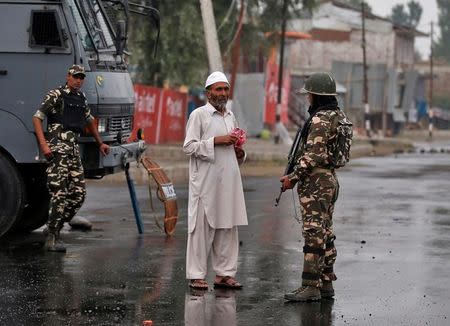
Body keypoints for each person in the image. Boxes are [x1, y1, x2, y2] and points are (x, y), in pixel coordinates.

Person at [280, 73, 353, 302]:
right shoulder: (338, 116)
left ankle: (310, 285)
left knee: (313, 233)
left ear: (317, 95)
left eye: (310, 94)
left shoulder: (320, 119)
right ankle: (326, 282)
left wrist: (292, 177)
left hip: (316, 183)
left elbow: (313, 155)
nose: (308, 98)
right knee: (325, 231)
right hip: (329, 180)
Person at [32, 65, 110, 253]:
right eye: (75, 76)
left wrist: (100, 143)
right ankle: (51, 237)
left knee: (78, 194)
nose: (78, 80)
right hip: (57, 149)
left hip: (73, 150)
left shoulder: (81, 98)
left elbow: (89, 120)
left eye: (81, 77)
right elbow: (37, 118)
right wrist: (44, 145)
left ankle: (54, 227)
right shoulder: (56, 95)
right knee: (59, 193)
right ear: (68, 76)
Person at [183, 71, 248, 290]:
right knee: (201, 229)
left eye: (225, 89)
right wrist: (216, 141)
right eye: (218, 89)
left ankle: (224, 274)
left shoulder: (230, 115)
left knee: (227, 227)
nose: (222, 93)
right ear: (208, 92)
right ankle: (196, 275)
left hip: (228, 182)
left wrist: (240, 154)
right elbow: (189, 146)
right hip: (205, 183)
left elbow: (235, 149)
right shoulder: (199, 115)